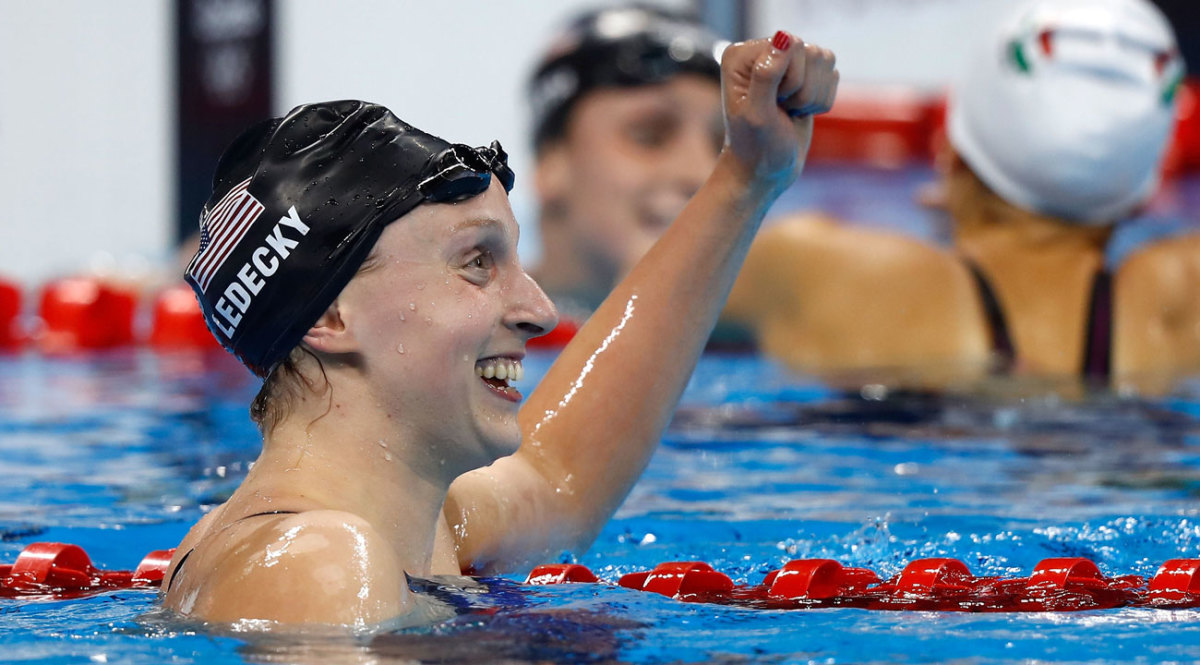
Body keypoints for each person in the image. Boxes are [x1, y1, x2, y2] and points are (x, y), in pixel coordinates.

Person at [161, 31, 839, 627]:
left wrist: (749, 176)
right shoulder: (320, 565)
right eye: (476, 262)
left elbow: (560, 475)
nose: (539, 310)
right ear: (330, 316)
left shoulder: (422, 529)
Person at [722, 0, 1198, 394]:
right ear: (1145, 192)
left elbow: (656, 300)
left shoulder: (829, 273)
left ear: (951, 150)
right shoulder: (1177, 303)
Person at [527, 5, 726, 324]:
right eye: (650, 136)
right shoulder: (467, 339)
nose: (703, 174)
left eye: (723, 148)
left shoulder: (767, 331)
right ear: (551, 164)